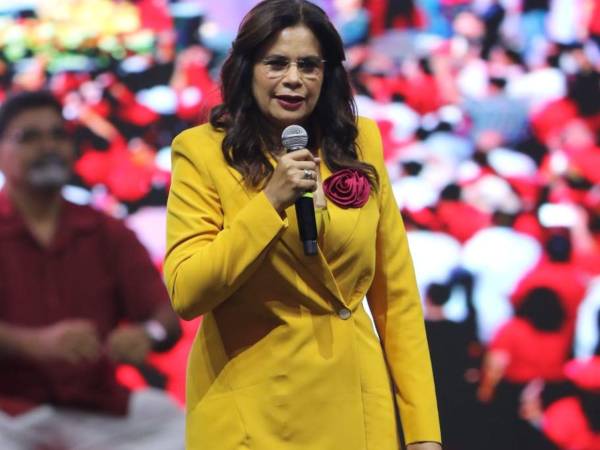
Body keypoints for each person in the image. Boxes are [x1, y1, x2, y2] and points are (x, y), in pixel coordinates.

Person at [164, 1, 441, 449]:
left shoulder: (361, 142)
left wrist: (423, 433)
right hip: (252, 419)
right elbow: (188, 291)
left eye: (309, 65)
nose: (294, 78)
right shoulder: (200, 152)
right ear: (247, 69)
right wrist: (269, 203)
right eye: (276, 63)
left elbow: (398, 300)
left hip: (356, 409)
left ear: (327, 74)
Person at [0, 90, 184, 450]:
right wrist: (34, 344)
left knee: (176, 425)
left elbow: (165, 318)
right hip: (9, 412)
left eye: (58, 135)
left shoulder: (106, 231)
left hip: (95, 409)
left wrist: (146, 335)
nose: (48, 146)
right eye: (30, 137)